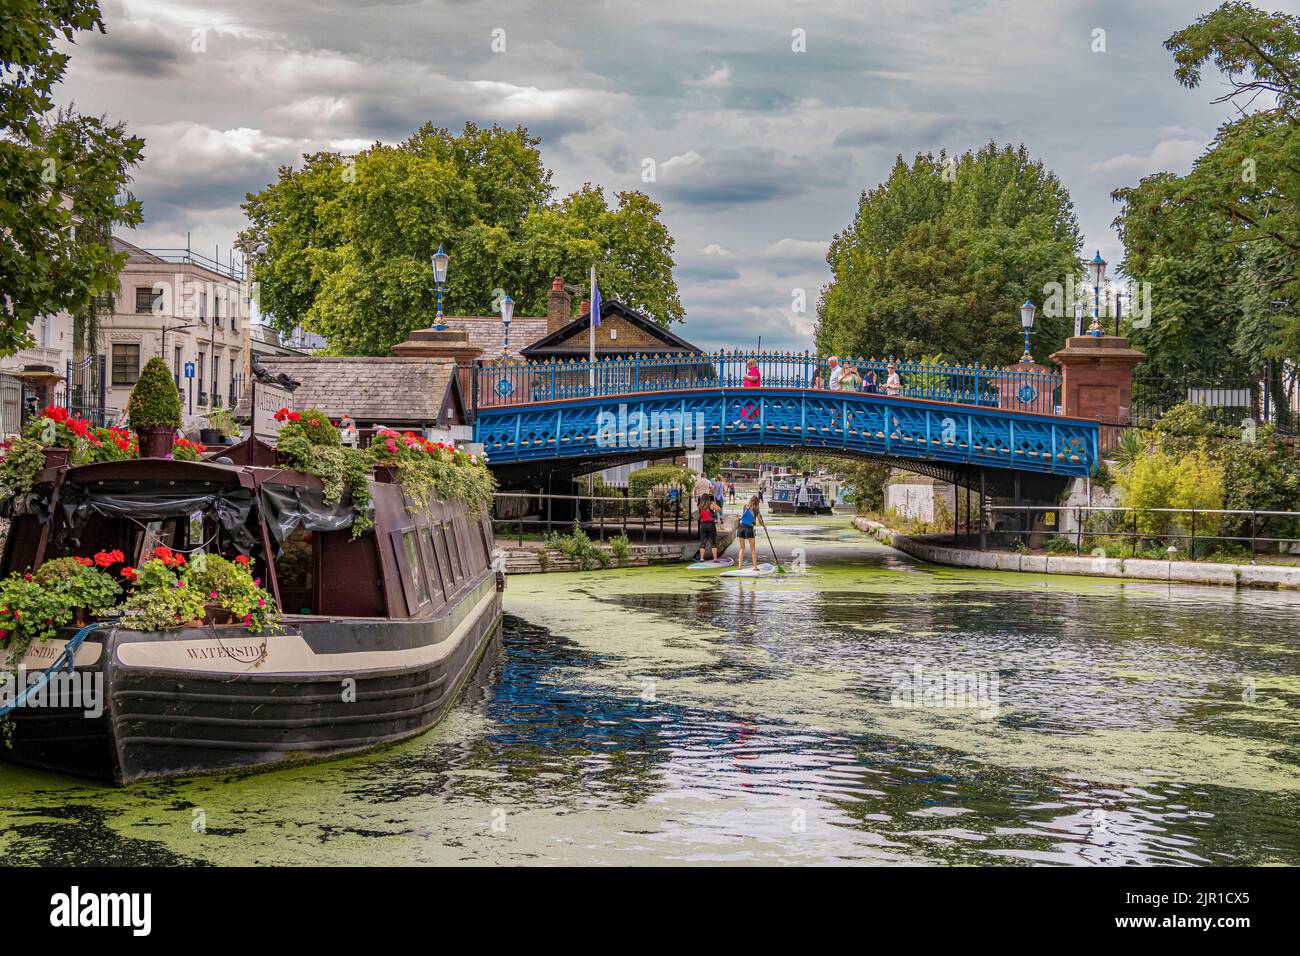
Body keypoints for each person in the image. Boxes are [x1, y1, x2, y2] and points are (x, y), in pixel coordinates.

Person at [737, 494, 766, 570]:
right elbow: (760, 521)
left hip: (741, 528)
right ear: (757, 502)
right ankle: (755, 567)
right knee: (753, 549)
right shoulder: (756, 510)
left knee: (742, 548)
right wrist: (764, 526)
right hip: (749, 529)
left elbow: (745, 515)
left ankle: (739, 567)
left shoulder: (745, 506)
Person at [696, 493, 721, 562]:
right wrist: (715, 504)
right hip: (711, 525)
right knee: (713, 542)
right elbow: (719, 509)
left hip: (703, 525)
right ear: (708, 498)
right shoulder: (711, 504)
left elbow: (698, 515)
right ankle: (715, 559)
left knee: (703, 542)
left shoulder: (699, 505)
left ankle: (701, 558)